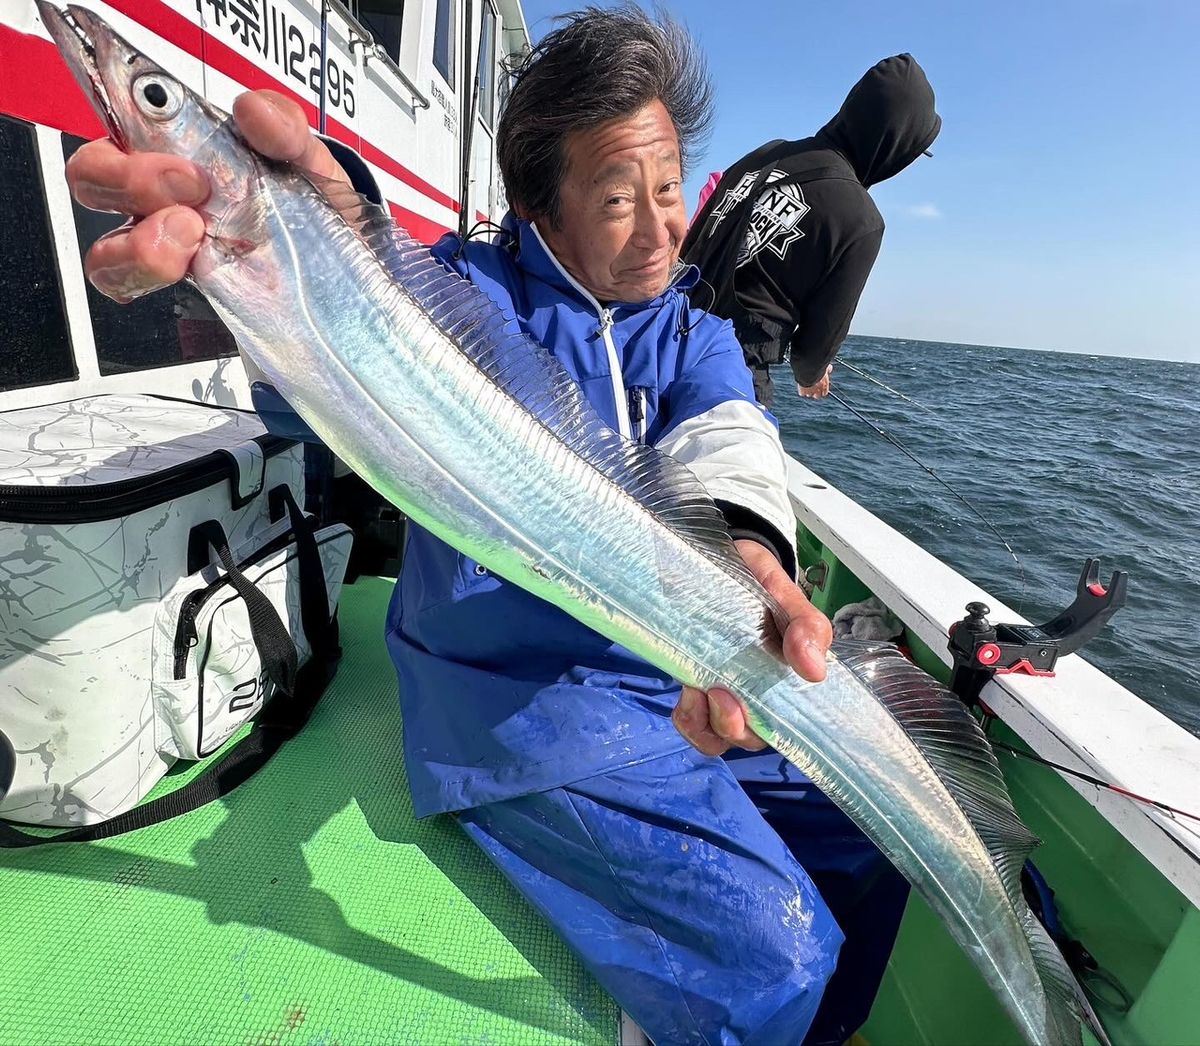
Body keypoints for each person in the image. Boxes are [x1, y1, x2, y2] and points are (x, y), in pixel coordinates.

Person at [65, 7, 907, 1042]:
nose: (658, 228)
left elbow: (726, 444)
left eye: (668, 189)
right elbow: (373, 322)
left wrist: (752, 560)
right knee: (779, 958)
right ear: (541, 211)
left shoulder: (694, 331)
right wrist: (306, 252)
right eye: (614, 199)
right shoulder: (476, 296)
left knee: (881, 845)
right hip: (521, 706)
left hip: (667, 662)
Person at [681, 54, 942, 409]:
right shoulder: (861, 220)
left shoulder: (765, 153)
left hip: (658, 332)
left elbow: (693, 240)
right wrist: (812, 375)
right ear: (895, 144)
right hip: (725, 379)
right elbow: (813, 352)